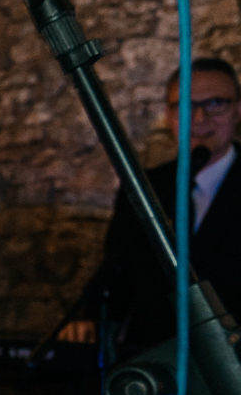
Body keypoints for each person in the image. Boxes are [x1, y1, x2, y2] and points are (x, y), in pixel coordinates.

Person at [61, 56, 241, 351]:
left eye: (215, 103)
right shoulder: (145, 188)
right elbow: (116, 273)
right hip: (153, 366)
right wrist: (91, 321)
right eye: (184, 106)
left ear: (237, 111)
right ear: (169, 117)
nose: (199, 118)